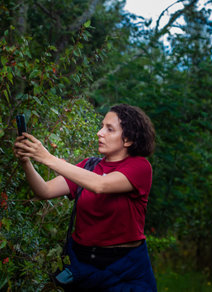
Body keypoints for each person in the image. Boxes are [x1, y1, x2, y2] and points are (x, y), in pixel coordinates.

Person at [13, 104, 157, 291]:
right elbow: (45, 191)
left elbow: (100, 185)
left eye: (109, 129)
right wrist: (26, 161)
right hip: (83, 265)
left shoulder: (140, 167)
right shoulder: (88, 166)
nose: (100, 132)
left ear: (128, 140)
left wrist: (47, 157)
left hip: (125, 269)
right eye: (102, 126)